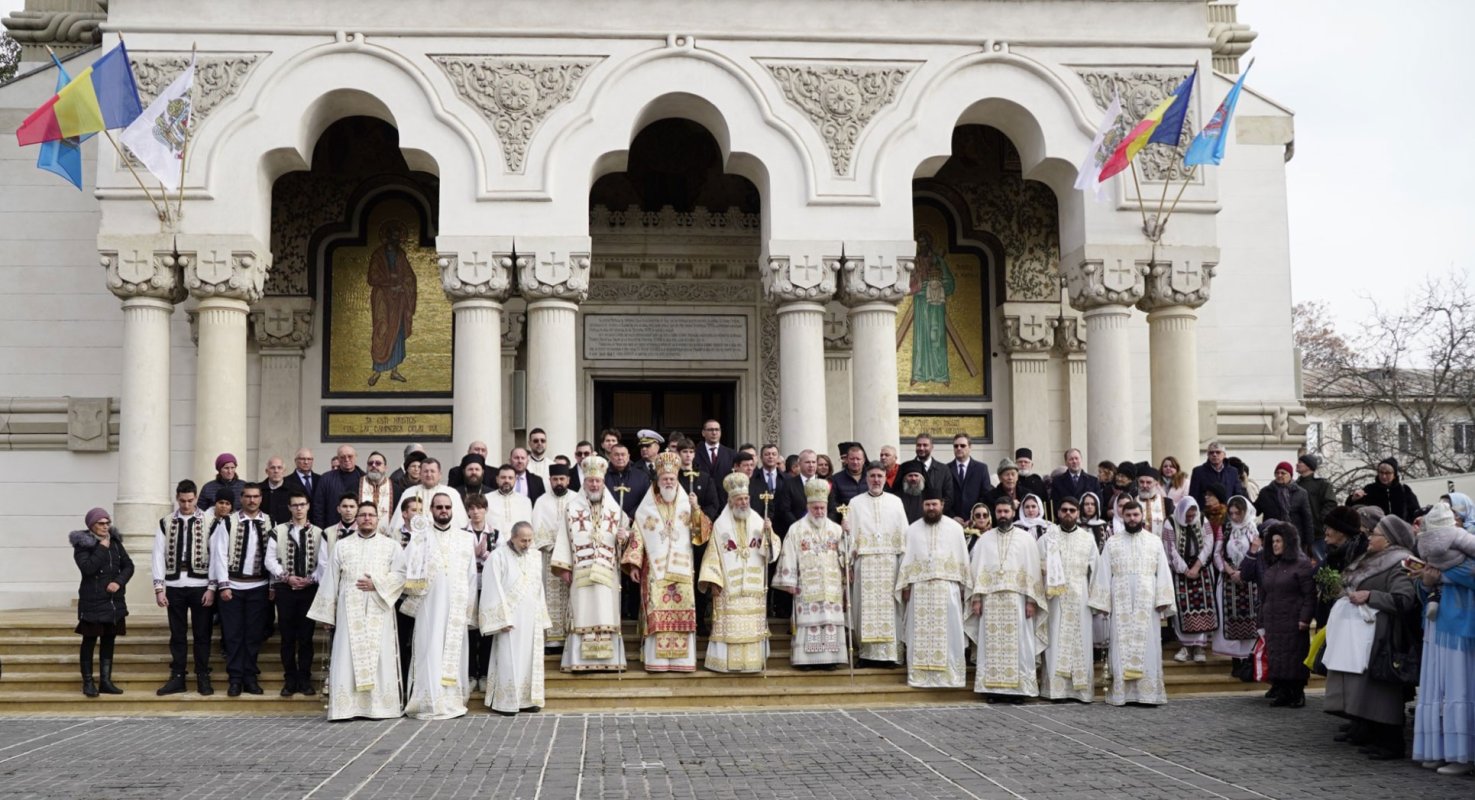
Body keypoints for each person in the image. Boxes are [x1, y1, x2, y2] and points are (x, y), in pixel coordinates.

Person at [1323, 514, 1420, 760]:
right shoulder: (1372, 559)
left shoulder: (1400, 562)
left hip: (1385, 635)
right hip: (1366, 634)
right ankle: (1376, 737)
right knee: (1368, 689)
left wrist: (1370, 596)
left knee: (1382, 692)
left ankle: (1391, 743)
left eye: (1375, 533)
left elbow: (1405, 599)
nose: (1369, 536)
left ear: (1388, 540)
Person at [307, 501, 407, 721]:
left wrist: (377, 584)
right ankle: (346, 708)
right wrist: (327, 614)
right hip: (348, 609)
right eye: (362, 515)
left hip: (379, 608)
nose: (367, 519)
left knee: (380, 655)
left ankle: (380, 707)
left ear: (378, 518)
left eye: (371, 515)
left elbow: (401, 574)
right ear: (356, 518)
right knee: (347, 654)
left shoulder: (391, 546)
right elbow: (331, 579)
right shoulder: (342, 545)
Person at [552, 455, 638, 672]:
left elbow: (628, 536)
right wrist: (564, 568)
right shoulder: (572, 508)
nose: (594, 484)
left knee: (606, 613)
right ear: (584, 483)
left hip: (607, 572)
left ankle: (608, 661)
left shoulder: (615, 508)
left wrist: (623, 537)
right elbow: (563, 536)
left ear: (603, 483)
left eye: (598, 481)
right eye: (590, 481)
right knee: (582, 614)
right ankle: (580, 662)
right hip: (581, 572)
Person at [400, 489, 480, 720]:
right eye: (439, 507)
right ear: (431, 510)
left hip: (456, 606)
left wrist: (468, 611)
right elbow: (407, 570)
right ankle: (428, 699)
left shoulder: (465, 538)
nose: (443, 510)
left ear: (452, 510)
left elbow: (471, 576)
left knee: (453, 652)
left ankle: (452, 699)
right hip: (429, 605)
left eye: (447, 507)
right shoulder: (420, 537)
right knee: (429, 649)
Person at [1089, 500, 1177, 706]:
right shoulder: (1112, 542)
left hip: (1148, 603)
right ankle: (1123, 694)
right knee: (1121, 645)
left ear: (1142, 517)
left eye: (1136, 515)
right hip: (1120, 602)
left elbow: (1163, 570)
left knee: (1149, 646)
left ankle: (1148, 694)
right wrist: (1102, 602)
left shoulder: (1154, 542)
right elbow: (1103, 572)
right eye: (1128, 515)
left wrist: (1163, 599)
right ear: (1122, 516)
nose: (1132, 519)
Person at [1412, 506, 1475, 775]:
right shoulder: (1432, 556)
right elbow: (1422, 587)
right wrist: (1426, 582)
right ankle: (1438, 748)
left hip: (1460, 625)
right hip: (1436, 626)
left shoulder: (1468, 553)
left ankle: (1461, 754)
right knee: (1435, 687)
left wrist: (1443, 577)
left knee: (1457, 685)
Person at [965, 496, 1045, 701]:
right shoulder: (985, 539)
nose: (1002, 515)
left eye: (1006, 512)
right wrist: (976, 599)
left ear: (1012, 512)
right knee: (990, 645)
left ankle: (1018, 691)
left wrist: (1031, 601)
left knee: (1019, 644)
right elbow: (977, 569)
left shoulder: (1026, 539)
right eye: (999, 511)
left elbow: (1033, 570)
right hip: (990, 600)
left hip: (1017, 600)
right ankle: (992, 690)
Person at [626, 453, 701, 672]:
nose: (668, 481)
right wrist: (633, 564)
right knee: (656, 611)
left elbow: (700, 534)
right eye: (665, 478)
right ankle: (656, 661)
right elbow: (637, 533)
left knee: (683, 609)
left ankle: (683, 661)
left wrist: (696, 509)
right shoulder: (646, 506)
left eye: (672, 478)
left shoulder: (688, 503)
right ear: (658, 480)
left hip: (682, 569)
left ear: (678, 479)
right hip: (655, 572)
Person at [699, 473, 780, 673]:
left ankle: (752, 663)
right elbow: (713, 554)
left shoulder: (758, 519)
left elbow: (770, 551)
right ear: (731, 500)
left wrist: (768, 533)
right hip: (729, 587)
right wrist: (714, 581)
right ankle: (726, 663)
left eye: (746, 499)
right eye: (739, 499)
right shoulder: (720, 524)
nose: (743, 503)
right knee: (730, 626)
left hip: (753, 586)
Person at [895, 487, 970, 688]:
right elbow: (907, 560)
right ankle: (919, 676)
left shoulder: (955, 529)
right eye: (927, 504)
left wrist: (964, 590)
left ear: (942, 505)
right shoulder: (912, 530)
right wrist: (906, 586)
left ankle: (950, 677)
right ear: (922, 505)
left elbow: (962, 560)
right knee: (918, 633)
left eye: (934, 504)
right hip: (919, 591)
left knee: (950, 632)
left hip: (947, 589)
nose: (931, 508)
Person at [773, 480, 849, 669]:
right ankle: (805, 660)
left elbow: (846, 555)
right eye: (815, 508)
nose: (819, 512)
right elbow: (788, 554)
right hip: (806, 586)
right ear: (808, 507)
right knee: (808, 622)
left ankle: (831, 659)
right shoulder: (796, 529)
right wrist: (789, 580)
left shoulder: (836, 529)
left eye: (822, 508)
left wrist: (848, 536)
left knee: (830, 622)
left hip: (831, 586)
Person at [1240, 521, 1315, 708]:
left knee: (1294, 657)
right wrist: (1261, 622)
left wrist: (1305, 618)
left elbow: (1309, 595)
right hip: (1273, 622)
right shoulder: (1272, 567)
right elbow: (1264, 597)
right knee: (1277, 657)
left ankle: (1297, 693)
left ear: (1288, 541)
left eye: (1279, 541)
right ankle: (1282, 691)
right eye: (1272, 541)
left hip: (1293, 621)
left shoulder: (1302, 564)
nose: (1275, 544)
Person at [479, 521, 550, 715]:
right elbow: (492, 586)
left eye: (529, 540)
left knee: (529, 660)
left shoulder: (535, 556)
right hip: (509, 619)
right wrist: (501, 618)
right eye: (523, 540)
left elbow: (538, 587)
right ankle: (506, 702)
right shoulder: (498, 556)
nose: (526, 544)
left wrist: (541, 616)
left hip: (531, 618)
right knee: (508, 658)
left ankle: (527, 700)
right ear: (513, 537)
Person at [152, 480, 216, 696]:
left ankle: (202, 675)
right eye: (182, 501)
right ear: (177, 499)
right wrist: (159, 587)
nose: (186, 505)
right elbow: (158, 555)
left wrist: (212, 587)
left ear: (196, 498)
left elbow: (217, 555)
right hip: (175, 584)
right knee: (177, 634)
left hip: (200, 584)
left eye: (190, 500)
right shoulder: (166, 522)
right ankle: (178, 676)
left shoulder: (210, 521)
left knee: (202, 634)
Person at [210, 483, 273, 697]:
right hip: (233, 587)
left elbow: (274, 556)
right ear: (242, 498)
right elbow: (219, 554)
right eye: (248, 496)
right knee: (233, 634)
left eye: (256, 497)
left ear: (261, 498)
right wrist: (224, 585)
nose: (252, 501)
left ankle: (250, 677)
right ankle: (235, 678)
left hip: (259, 586)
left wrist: (272, 586)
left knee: (253, 634)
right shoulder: (228, 522)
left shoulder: (270, 522)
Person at [264, 489, 327, 696]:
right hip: (285, 590)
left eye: (302, 504)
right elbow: (269, 559)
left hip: (309, 590)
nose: (299, 509)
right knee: (288, 637)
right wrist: (285, 576)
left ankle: (305, 679)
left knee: (306, 637)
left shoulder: (319, 533)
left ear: (308, 506)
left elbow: (323, 562)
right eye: (295, 505)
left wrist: (311, 579)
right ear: (289, 507)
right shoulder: (278, 531)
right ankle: (290, 679)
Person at [846, 462, 909, 665]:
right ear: (866, 478)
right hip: (865, 564)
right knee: (864, 608)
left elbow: (904, 537)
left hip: (890, 565)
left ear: (885, 477)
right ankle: (866, 654)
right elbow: (849, 538)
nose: (876, 480)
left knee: (891, 609)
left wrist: (904, 569)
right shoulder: (854, 503)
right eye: (872, 476)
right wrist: (848, 563)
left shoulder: (896, 502)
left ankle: (891, 655)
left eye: (879, 476)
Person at [1038, 496, 1097, 702]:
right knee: (1055, 641)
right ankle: (1056, 690)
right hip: (1055, 599)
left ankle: (1080, 691)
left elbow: (1095, 571)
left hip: (1080, 597)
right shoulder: (1047, 538)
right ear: (1058, 512)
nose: (1068, 513)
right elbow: (1038, 567)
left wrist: (1095, 599)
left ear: (1078, 513)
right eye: (1064, 510)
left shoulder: (1088, 538)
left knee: (1081, 640)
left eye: (1073, 510)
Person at [71, 508, 133, 697]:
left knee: (109, 639)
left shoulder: (115, 542)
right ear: (91, 525)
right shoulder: (83, 545)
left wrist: (118, 582)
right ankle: (88, 681)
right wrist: (102, 548)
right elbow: (88, 568)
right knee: (89, 640)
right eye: (101, 523)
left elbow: (128, 565)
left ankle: (106, 680)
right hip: (93, 600)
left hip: (113, 601)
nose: (106, 526)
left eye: (107, 523)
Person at [1212, 496, 1261, 670]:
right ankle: (1235, 660)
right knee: (1230, 617)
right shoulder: (1225, 529)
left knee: (1250, 618)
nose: (1233, 517)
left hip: (1249, 581)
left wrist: (1244, 572)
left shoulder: (1254, 530)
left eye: (1237, 514)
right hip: (1228, 579)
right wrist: (1230, 571)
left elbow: (1258, 553)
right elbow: (1217, 553)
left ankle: (1248, 659)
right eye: (1231, 513)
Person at [1165, 497, 1216, 663]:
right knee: (1182, 608)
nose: (1190, 518)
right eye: (1187, 516)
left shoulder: (1201, 518)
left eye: (1192, 515)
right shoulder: (1170, 522)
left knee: (1203, 606)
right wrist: (1185, 569)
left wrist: (1197, 566)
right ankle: (1185, 646)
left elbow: (1209, 542)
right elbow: (1170, 548)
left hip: (1200, 568)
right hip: (1180, 570)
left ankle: (1199, 646)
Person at [532, 464, 576, 653]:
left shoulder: (577, 499)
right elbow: (537, 528)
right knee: (549, 599)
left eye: (562, 479)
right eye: (555, 479)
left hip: (573, 558)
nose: (559, 482)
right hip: (549, 556)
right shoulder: (541, 501)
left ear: (568, 480)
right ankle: (552, 642)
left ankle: (571, 637)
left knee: (571, 597)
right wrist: (554, 546)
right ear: (550, 480)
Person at [463, 493, 497, 691]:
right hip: (468, 587)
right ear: (467, 511)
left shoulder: (496, 534)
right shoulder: (461, 533)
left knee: (486, 630)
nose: (476, 512)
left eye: (479, 508)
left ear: (485, 510)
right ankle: (469, 674)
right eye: (472, 508)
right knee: (469, 631)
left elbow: (498, 559)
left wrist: (484, 555)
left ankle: (484, 673)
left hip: (487, 586)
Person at [1255, 462, 1315, 555]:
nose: (1279, 475)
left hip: (1294, 538)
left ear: (1290, 475)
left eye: (1283, 473)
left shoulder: (1301, 493)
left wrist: (1309, 542)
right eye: (1277, 473)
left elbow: (1307, 519)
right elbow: (1254, 511)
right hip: (1272, 538)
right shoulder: (1266, 492)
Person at [399, 457, 469, 531]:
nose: (429, 474)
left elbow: (460, 523)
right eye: (425, 471)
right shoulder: (409, 492)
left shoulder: (452, 493)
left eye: (432, 471)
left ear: (440, 475)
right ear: (420, 474)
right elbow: (400, 523)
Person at [1347, 457, 1421, 523]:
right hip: (1376, 533)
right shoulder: (1369, 489)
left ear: (1394, 475)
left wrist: (1409, 524)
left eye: (1387, 473)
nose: (1384, 476)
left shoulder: (1404, 490)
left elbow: (1415, 512)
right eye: (1381, 472)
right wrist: (1353, 499)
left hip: (1400, 533)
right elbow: (1352, 510)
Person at [1296, 454, 1339, 560]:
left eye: (1300, 462)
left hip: (1318, 533)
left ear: (1309, 465)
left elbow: (1331, 503)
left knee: (1320, 562)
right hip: (1299, 532)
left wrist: (1321, 519)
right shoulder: (1295, 484)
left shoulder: (1322, 484)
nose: (1297, 464)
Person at [312, 445, 365, 529]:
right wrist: (321, 530)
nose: (347, 459)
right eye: (342, 457)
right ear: (338, 459)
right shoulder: (326, 478)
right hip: (331, 529)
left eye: (350, 456)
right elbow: (318, 508)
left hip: (359, 530)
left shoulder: (365, 479)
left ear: (356, 457)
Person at [947, 434, 991, 525]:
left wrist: (974, 517)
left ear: (970, 447)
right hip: (952, 522)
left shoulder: (981, 468)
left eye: (962, 445)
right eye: (956, 446)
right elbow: (943, 496)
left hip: (975, 523)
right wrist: (952, 517)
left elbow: (985, 496)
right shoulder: (945, 469)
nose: (959, 448)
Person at [1188, 441, 1244, 510]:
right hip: (1206, 513)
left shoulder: (1233, 472)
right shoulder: (1198, 472)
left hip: (1227, 512)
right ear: (1208, 455)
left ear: (1224, 455)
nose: (1214, 455)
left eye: (1218, 452)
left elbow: (1237, 494)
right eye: (1211, 453)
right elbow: (1193, 495)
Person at [906, 433, 956, 512]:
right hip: (912, 518)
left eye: (925, 445)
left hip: (936, 518)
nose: (922, 448)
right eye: (919, 445)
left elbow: (948, 497)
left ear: (932, 447)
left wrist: (934, 513)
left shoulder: (943, 470)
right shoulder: (906, 468)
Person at [486, 463, 533, 540]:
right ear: (497, 479)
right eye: (503, 477)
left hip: (518, 546)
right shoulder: (486, 499)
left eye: (510, 478)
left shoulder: (525, 501)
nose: (506, 480)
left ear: (515, 480)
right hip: (494, 545)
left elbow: (529, 528)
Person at [1051, 449, 1101, 518]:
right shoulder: (1057, 482)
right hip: (1066, 520)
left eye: (1076, 458)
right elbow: (1055, 504)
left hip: (1087, 521)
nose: (1074, 461)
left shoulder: (1093, 481)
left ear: (1081, 460)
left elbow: (1098, 503)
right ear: (1066, 462)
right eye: (1071, 459)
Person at [694, 420, 736, 501]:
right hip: (702, 501)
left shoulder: (731, 454)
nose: (714, 433)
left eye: (717, 430)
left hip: (724, 500)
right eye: (710, 430)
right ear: (703, 433)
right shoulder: (695, 453)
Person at [357, 451, 397, 535]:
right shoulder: (355, 486)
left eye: (378, 463)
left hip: (387, 539)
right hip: (361, 537)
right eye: (370, 463)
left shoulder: (396, 489)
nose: (374, 466)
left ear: (385, 468)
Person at [1134, 467, 1173, 538]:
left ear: (1156, 483)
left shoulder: (1167, 503)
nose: (1144, 485)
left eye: (1148, 482)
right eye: (1141, 482)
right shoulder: (1132, 502)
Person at [830, 442, 869, 508]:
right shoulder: (836, 479)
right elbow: (833, 503)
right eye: (852, 459)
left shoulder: (871, 477)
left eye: (858, 459)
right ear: (847, 460)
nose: (855, 462)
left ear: (864, 460)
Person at [260, 456, 292, 524]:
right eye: (272, 468)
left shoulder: (294, 490)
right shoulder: (258, 490)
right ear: (266, 471)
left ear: (284, 471)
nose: (276, 471)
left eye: (279, 468)